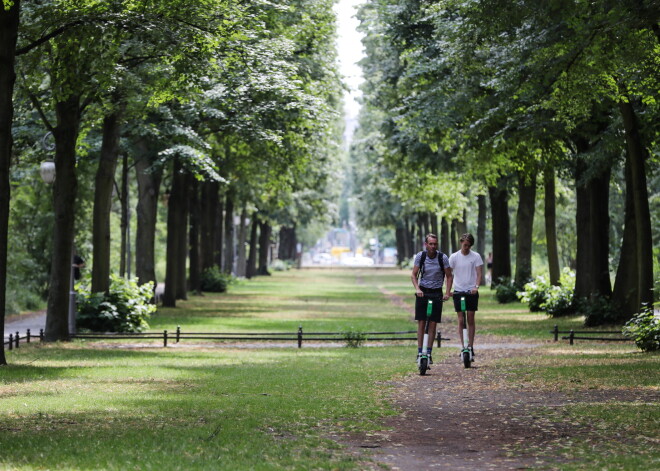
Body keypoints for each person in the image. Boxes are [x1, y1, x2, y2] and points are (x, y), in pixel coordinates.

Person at [411, 234, 452, 366]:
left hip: (436, 293)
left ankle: (428, 352)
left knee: (433, 323)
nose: (433, 246)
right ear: (426, 244)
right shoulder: (420, 256)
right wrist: (417, 289)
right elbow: (413, 275)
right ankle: (419, 352)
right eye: (431, 244)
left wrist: (446, 292)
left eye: (435, 244)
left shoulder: (442, 257)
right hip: (423, 292)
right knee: (422, 323)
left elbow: (449, 276)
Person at [449, 233, 483, 362]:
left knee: (470, 318)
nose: (466, 247)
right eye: (464, 245)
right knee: (461, 319)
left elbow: (479, 274)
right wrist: (449, 290)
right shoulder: (454, 257)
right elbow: (449, 275)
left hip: (471, 292)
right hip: (458, 291)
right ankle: (463, 346)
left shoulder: (476, 257)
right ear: (461, 243)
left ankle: (471, 346)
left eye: (468, 245)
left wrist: (476, 286)